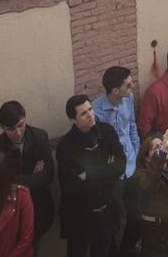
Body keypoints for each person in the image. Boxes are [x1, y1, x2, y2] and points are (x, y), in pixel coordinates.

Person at [56, 94, 126, 257]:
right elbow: (70, 186)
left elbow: (120, 165)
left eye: (90, 109)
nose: (90, 115)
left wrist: (90, 173)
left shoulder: (106, 132)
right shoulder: (66, 147)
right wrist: (106, 173)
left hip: (106, 211)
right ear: (73, 120)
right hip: (79, 216)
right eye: (83, 113)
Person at [0, 101, 55, 245]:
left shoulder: (39, 137)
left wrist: (10, 180)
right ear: (2, 128)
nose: (18, 132)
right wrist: (32, 177)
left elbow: (48, 176)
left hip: (37, 212)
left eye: (21, 125)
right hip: (8, 217)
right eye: (11, 129)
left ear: (25, 118)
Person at [93, 66, 143, 257]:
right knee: (112, 221)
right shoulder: (96, 111)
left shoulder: (128, 99)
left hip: (131, 168)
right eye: (128, 84)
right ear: (115, 91)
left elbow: (131, 127)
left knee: (136, 217)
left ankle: (127, 249)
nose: (132, 85)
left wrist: (137, 156)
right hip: (113, 175)